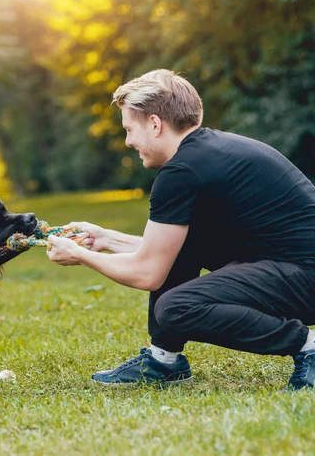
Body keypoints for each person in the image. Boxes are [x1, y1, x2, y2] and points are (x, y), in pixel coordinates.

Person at [46, 69, 315, 390]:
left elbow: (147, 272)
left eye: (130, 130)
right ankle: (165, 360)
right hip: (293, 269)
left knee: (176, 308)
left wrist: (79, 255)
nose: (129, 141)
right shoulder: (209, 152)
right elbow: (165, 249)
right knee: (183, 248)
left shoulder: (182, 171)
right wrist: (105, 238)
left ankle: (307, 346)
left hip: (304, 277)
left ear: (155, 124)